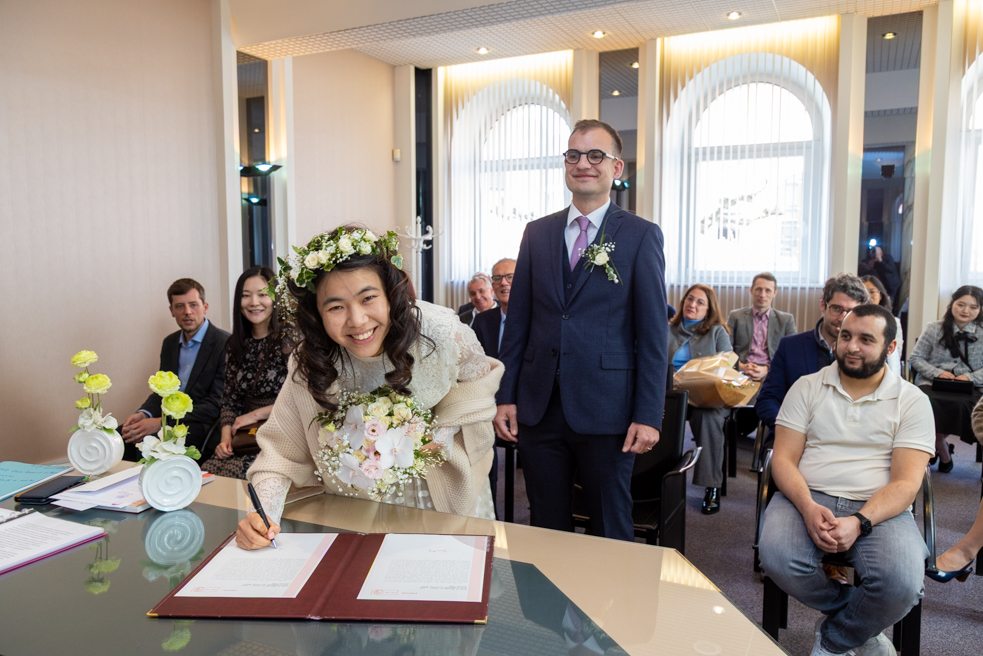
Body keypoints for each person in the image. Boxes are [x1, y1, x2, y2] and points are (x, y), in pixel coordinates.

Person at [237, 227, 503, 550]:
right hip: (355, 508)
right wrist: (262, 514)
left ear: (390, 293)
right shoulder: (309, 361)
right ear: (316, 313)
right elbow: (281, 450)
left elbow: (479, 383)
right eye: (336, 307)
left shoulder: (440, 331)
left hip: (439, 497)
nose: (358, 320)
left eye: (368, 298)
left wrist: (443, 433)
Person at [494, 119, 668, 542]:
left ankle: (616, 591)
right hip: (539, 406)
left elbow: (652, 336)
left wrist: (648, 415)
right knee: (545, 524)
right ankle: (547, 590)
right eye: (573, 155)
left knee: (610, 523)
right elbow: (518, 323)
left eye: (595, 155)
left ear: (616, 167)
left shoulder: (641, 236)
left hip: (608, 408)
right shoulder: (537, 233)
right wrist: (506, 396)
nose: (583, 164)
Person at [759, 304, 933, 656]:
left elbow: (905, 483)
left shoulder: (912, 400)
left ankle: (834, 639)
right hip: (807, 494)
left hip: (879, 505)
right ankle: (861, 627)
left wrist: (860, 521)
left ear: (890, 347)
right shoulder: (807, 387)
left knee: (902, 584)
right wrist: (807, 506)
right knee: (777, 558)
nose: (851, 346)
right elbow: (784, 459)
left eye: (866, 339)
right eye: (845, 336)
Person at [198, 267, 293, 479]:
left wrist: (254, 415)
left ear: (275, 298)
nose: (254, 302)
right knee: (206, 472)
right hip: (245, 436)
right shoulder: (235, 344)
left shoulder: (290, 340)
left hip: (282, 433)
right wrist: (225, 439)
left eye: (262, 294)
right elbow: (229, 400)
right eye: (245, 295)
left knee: (243, 473)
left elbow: (300, 398)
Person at [121, 279, 230, 461]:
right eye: (180, 306)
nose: (187, 312)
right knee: (121, 436)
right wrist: (143, 414)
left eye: (193, 305)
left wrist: (162, 423)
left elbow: (214, 405)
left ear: (205, 307)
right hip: (168, 420)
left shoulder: (225, 343)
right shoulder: (170, 343)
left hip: (202, 425)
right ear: (172, 311)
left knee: (149, 444)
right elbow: (161, 393)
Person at [756, 274, 869, 436]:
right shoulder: (790, 347)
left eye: (851, 312)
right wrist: (790, 429)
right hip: (794, 435)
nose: (842, 318)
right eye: (837, 309)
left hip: (847, 439)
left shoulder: (866, 354)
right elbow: (768, 399)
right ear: (823, 305)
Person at [668, 284, 732, 514]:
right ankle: (658, 481)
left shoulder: (717, 332)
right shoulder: (668, 329)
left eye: (700, 302)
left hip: (706, 399)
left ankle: (712, 486)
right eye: (689, 298)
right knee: (655, 415)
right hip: (671, 394)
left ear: (708, 309)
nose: (692, 304)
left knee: (709, 420)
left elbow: (727, 367)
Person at [908, 285, 983, 472]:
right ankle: (942, 448)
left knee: (966, 406)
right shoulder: (934, 328)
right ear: (952, 304)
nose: (965, 311)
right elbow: (915, 358)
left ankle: (937, 445)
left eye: (973, 307)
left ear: (980, 309)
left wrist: (970, 377)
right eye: (961, 304)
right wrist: (937, 373)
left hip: (969, 386)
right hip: (932, 383)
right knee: (927, 403)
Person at [472, 257, 515, 517]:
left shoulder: (539, 317)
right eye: (497, 278)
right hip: (487, 403)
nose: (503, 283)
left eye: (510, 277)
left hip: (525, 405)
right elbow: (475, 365)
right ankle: (491, 516)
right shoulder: (483, 321)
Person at [727, 272, 797, 383]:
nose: (762, 295)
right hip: (741, 370)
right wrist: (741, 367)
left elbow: (792, 353)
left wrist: (767, 369)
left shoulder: (786, 320)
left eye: (768, 290)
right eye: (758, 289)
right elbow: (725, 349)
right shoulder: (736, 316)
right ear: (751, 290)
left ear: (774, 293)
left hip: (771, 372)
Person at [861, 275, 903, 376]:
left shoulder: (894, 322)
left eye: (872, 292)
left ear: (880, 295)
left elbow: (896, 353)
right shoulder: (853, 321)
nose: (868, 296)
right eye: (864, 292)